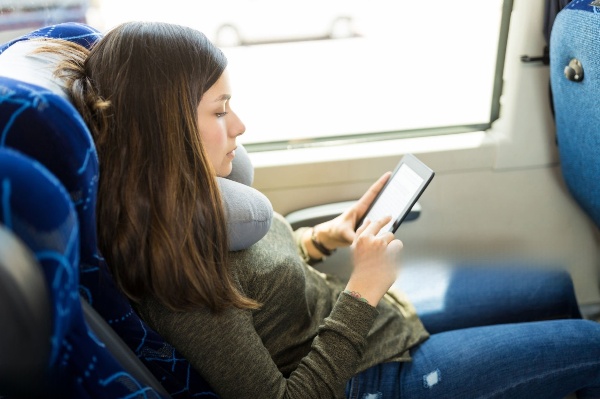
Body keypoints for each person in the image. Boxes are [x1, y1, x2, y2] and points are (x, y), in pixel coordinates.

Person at [45, 21, 600, 399]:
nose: (239, 127)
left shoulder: (198, 203)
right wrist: (363, 289)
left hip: (365, 321)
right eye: (221, 110)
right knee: (592, 346)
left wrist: (321, 240)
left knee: (551, 286)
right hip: (371, 376)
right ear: (166, 129)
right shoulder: (176, 279)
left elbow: (256, 280)